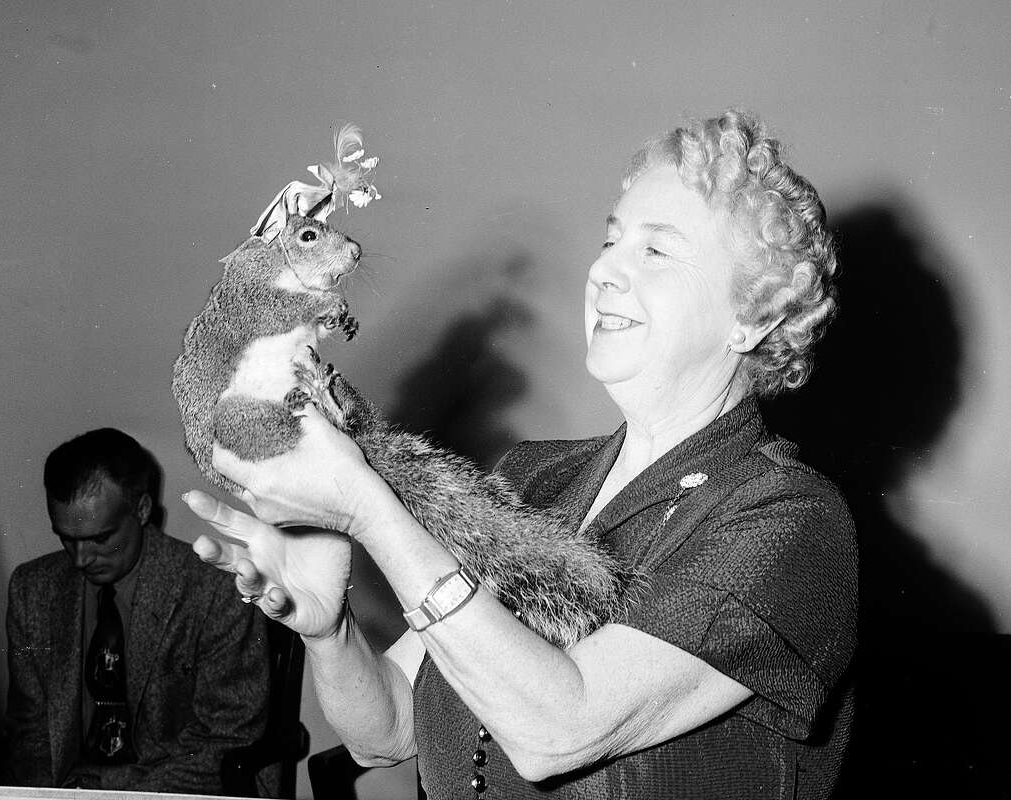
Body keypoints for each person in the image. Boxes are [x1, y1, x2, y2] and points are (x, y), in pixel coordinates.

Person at [185, 109, 857, 798]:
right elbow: (383, 729)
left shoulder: (790, 523)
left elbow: (558, 730)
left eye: (655, 251)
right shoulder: (534, 477)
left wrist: (372, 514)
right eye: (611, 238)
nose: (604, 272)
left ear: (754, 316)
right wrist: (329, 631)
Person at [4, 427, 272, 794]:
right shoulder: (31, 590)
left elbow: (228, 739)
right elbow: (29, 732)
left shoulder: (214, 590)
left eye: (101, 539)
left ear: (142, 510)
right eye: (66, 538)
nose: (81, 559)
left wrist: (111, 790)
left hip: (178, 790)